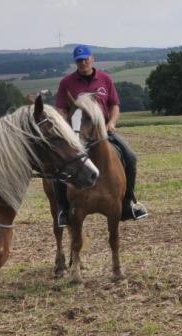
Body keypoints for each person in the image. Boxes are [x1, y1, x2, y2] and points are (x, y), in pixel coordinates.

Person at [53, 44, 148, 226]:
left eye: (85, 59)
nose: (83, 63)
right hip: (78, 133)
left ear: (92, 59)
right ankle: (63, 209)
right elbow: (61, 108)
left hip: (103, 131)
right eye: (79, 61)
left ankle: (128, 203)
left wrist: (111, 123)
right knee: (60, 167)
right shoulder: (66, 83)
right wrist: (68, 125)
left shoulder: (105, 79)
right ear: (75, 63)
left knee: (131, 157)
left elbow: (114, 105)